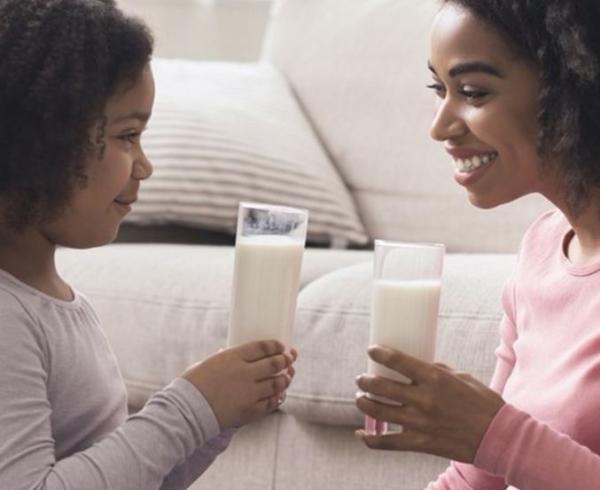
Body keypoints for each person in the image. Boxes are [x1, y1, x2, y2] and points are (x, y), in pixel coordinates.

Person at [0, 1, 297, 488]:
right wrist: (189, 407)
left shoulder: (55, 303)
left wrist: (218, 414)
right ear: (41, 139)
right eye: (128, 136)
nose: (145, 165)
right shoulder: (7, 316)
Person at [354, 0, 600, 488]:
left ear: (573, 85)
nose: (440, 126)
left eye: (472, 92)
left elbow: (495, 442)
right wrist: (485, 436)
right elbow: (476, 478)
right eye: (438, 89)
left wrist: (492, 430)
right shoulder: (540, 249)